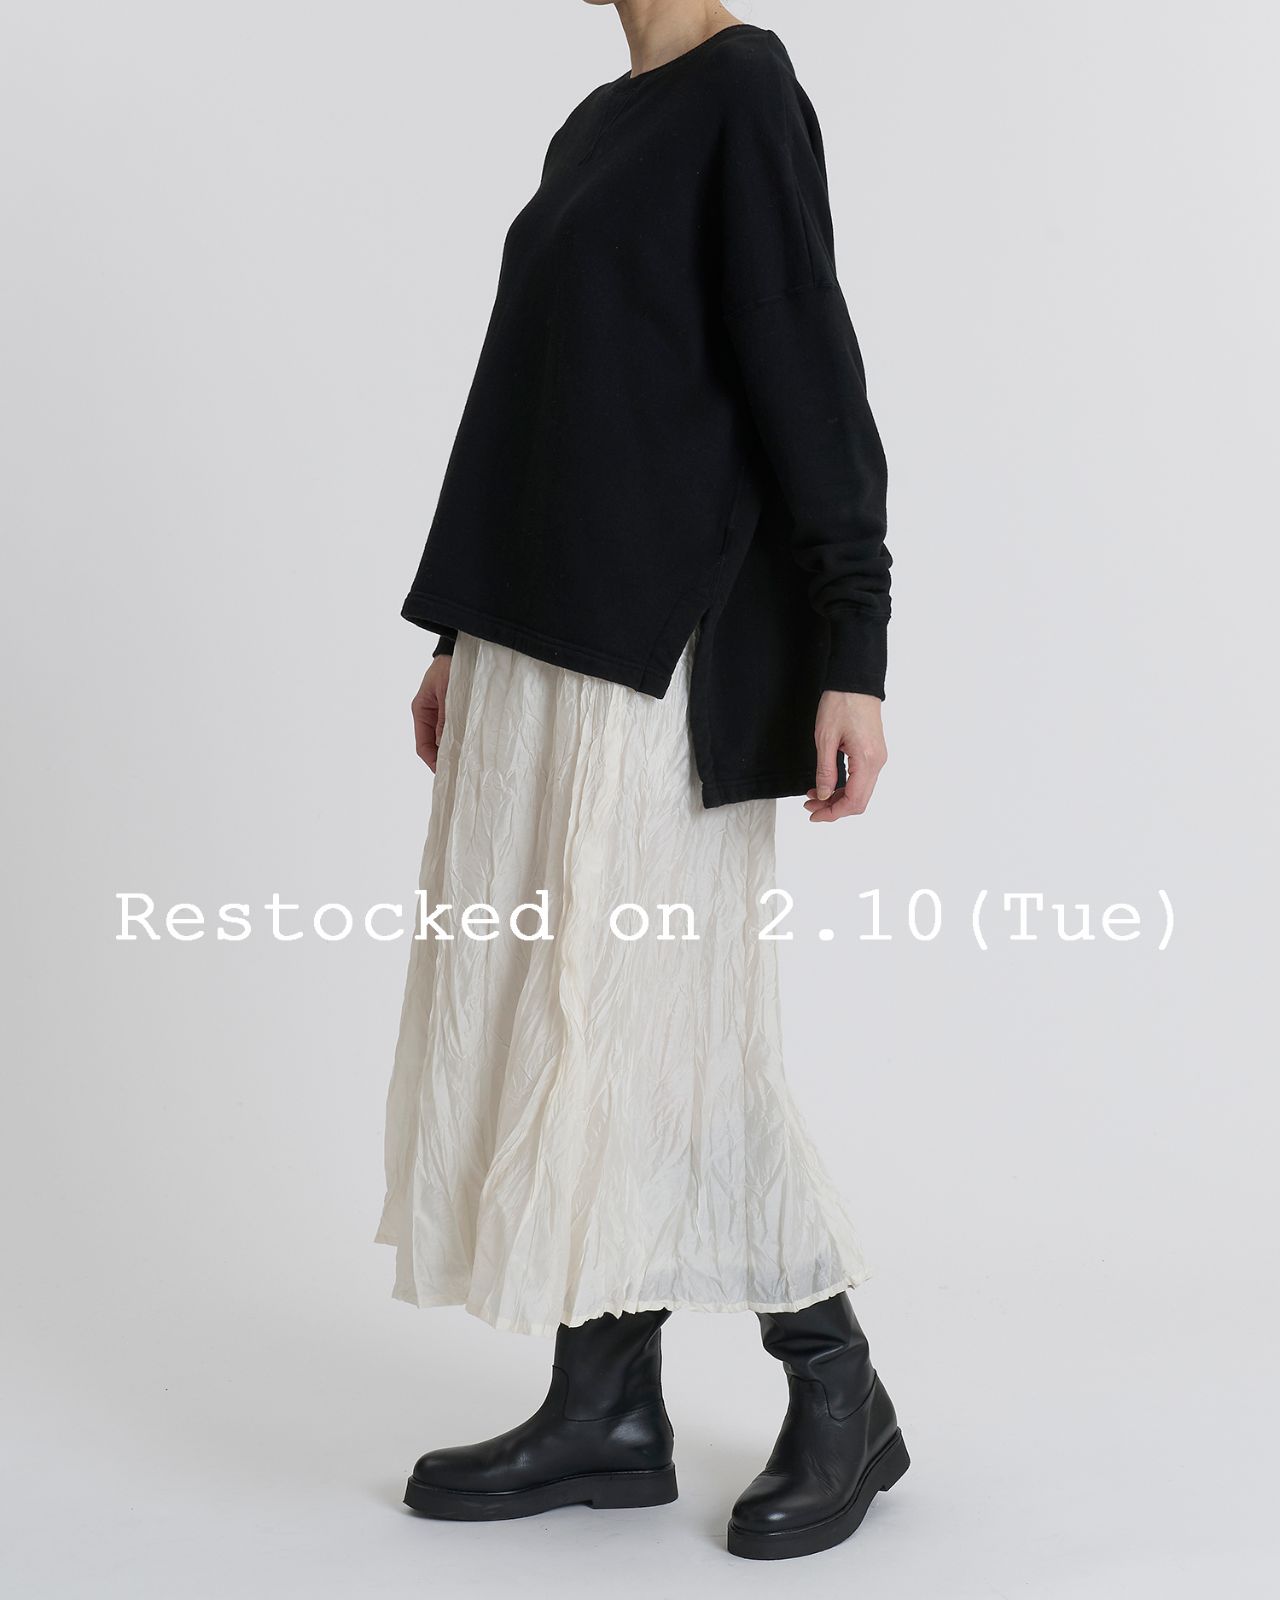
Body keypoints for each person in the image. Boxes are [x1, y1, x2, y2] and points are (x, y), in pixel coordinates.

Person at [376, 0, 906, 1561]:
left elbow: (809, 370)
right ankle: (604, 1405)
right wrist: (459, 634)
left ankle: (840, 1385)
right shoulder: (598, 125)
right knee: (563, 1016)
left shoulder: (744, 87)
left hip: (656, 654)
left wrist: (853, 643)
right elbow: (525, 408)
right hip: (535, 640)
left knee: (670, 1030)